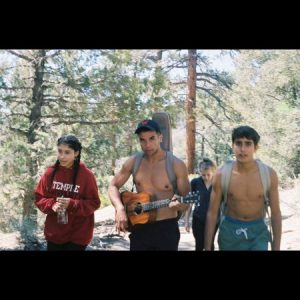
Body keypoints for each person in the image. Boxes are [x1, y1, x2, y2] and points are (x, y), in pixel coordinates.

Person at [108, 119, 190, 250]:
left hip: (166, 229)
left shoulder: (176, 165)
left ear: (160, 138)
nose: (147, 144)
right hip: (139, 228)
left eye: (152, 138)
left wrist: (180, 204)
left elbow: (187, 201)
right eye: (143, 140)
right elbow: (113, 186)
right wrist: (120, 208)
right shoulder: (134, 162)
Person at [204, 126, 282, 251]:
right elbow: (212, 213)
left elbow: (276, 213)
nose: (242, 149)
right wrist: (207, 247)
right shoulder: (221, 175)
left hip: (258, 233)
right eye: (238, 143)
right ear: (233, 146)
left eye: (248, 144)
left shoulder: (269, 174)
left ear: (255, 147)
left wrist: (276, 247)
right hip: (229, 233)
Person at [35, 135, 101, 250]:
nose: (62, 156)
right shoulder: (50, 173)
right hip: (54, 234)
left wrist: (72, 204)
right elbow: (39, 198)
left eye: (67, 152)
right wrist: (52, 204)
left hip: (78, 235)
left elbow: (94, 203)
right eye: (60, 151)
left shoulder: (86, 175)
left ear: (76, 153)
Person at [184, 158, 218, 251]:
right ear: (199, 172)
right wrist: (186, 221)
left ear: (213, 172)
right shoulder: (195, 183)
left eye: (208, 175)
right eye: (203, 175)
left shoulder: (218, 183)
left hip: (214, 220)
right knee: (199, 244)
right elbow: (190, 203)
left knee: (209, 245)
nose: (206, 177)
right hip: (198, 218)